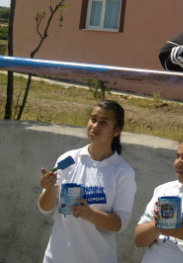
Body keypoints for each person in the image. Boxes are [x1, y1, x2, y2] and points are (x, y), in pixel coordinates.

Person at [38, 100, 137, 263]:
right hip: (56, 258)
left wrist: (89, 214)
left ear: (116, 131)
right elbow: (44, 208)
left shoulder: (122, 172)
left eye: (104, 122)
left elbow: (120, 223)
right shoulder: (68, 160)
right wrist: (49, 189)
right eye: (93, 119)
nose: (95, 126)